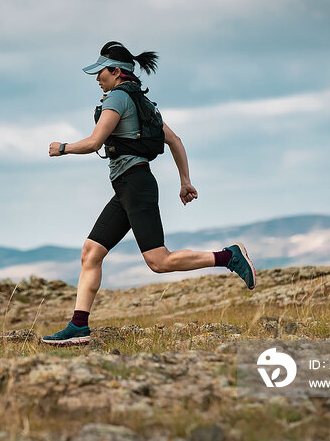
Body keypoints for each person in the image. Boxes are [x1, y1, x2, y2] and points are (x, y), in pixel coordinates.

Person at [44, 41, 255, 345]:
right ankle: (79, 326)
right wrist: (185, 181)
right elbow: (176, 140)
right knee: (91, 252)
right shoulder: (144, 103)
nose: (96, 78)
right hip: (129, 186)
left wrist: (62, 148)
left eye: (100, 71)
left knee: (159, 261)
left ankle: (228, 256)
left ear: (116, 72)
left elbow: (94, 142)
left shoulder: (117, 97)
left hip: (135, 186)